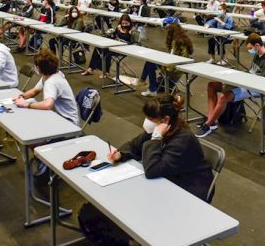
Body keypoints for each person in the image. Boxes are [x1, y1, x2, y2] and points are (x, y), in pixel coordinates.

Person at [81, 94, 212, 245]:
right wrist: (119, 154)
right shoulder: (163, 130)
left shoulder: (182, 139)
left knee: (122, 213)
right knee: (101, 210)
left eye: (151, 119)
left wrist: (155, 137)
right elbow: (133, 145)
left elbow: (153, 170)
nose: (147, 122)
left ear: (165, 121)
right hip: (164, 183)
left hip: (187, 189)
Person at [196, 33, 265, 138]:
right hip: (245, 83)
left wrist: (242, 80)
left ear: (257, 45)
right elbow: (252, 72)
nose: (249, 51)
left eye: (250, 48)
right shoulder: (257, 55)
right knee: (212, 86)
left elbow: (261, 82)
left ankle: (208, 124)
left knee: (223, 97)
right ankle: (211, 119)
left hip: (254, 89)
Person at [13, 49, 79, 124]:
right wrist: (21, 97)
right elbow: (35, 91)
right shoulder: (50, 74)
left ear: (39, 68)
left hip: (68, 122)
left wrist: (26, 104)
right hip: (59, 116)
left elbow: (48, 105)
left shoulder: (51, 82)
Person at [139, 23, 193, 96]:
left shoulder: (177, 42)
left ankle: (148, 86)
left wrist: (164, 69)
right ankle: (145, 83)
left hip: (174, 68)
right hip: (175, 66)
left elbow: (174, 59)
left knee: (150, 63)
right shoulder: (185, 40)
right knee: (150, 62)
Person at [81, 13, 134, 77]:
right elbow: (114, 36)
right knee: (98, 48)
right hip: (115, 45)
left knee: (107, 51)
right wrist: (116, 31)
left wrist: (123, 32)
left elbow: (129, 41)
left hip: (124, 49)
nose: (124, 25)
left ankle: (106, 72)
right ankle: (90, 68)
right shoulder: (119, 27)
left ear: (129, 22)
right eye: (123, 23)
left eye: (126, 23)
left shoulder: (131, 29)